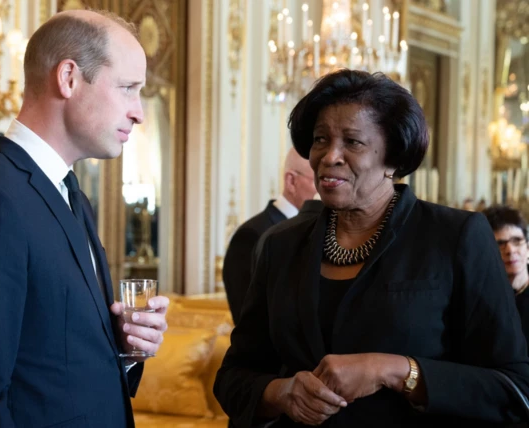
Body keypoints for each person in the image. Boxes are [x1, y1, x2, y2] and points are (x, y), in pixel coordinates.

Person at [214, 69, 529, 427]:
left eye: (352, 142)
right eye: (320, 139)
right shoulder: (280, 245)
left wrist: (392, 370)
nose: (330, 156)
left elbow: (515, 389)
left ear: (393, 159)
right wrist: (280, 393)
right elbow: (233, 377)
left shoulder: (455, 236)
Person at [0, 9, 169, 427]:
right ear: (68, 78)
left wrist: (125, 347)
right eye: (128, 88)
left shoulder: (73, 195)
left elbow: (57, 361)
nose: (139, 112)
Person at [223, 147, 317, 325]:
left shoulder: (320, 232)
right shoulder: (252, 235)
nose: (324, 189)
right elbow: (248, 321)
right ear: (291, 181)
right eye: (317, 180)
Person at [483, 205, 529, 342]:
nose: (510, 250)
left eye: (517, 241)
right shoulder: (483, 298)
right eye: (500, 244)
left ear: (527, 247)